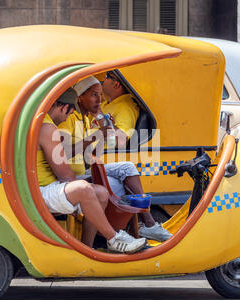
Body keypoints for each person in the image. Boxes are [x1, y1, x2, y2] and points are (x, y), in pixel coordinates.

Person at [59, 77, 171, 242]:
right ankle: (120, 235)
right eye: (94, 95)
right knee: (115, 184)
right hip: (69, 178)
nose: (100, 100)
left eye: (100, 95)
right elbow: (64, 153)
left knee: (127, 168)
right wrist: (98, 134)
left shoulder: (86, 119)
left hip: (83, 170)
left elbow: (89, 156)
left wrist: (102, 135)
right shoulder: (69, 118)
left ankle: (147, 225)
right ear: (79, 97)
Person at [37, 88, 147, 253]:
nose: (67, 118)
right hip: (40, 190)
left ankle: (87, 249)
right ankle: (113, 239)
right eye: (68, 114)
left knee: (101, 193)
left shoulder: (57, 123)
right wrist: (77, 198)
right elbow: (64, 174)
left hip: (50, 185)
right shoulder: (47, 128)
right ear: (65, 108)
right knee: (83, 189)